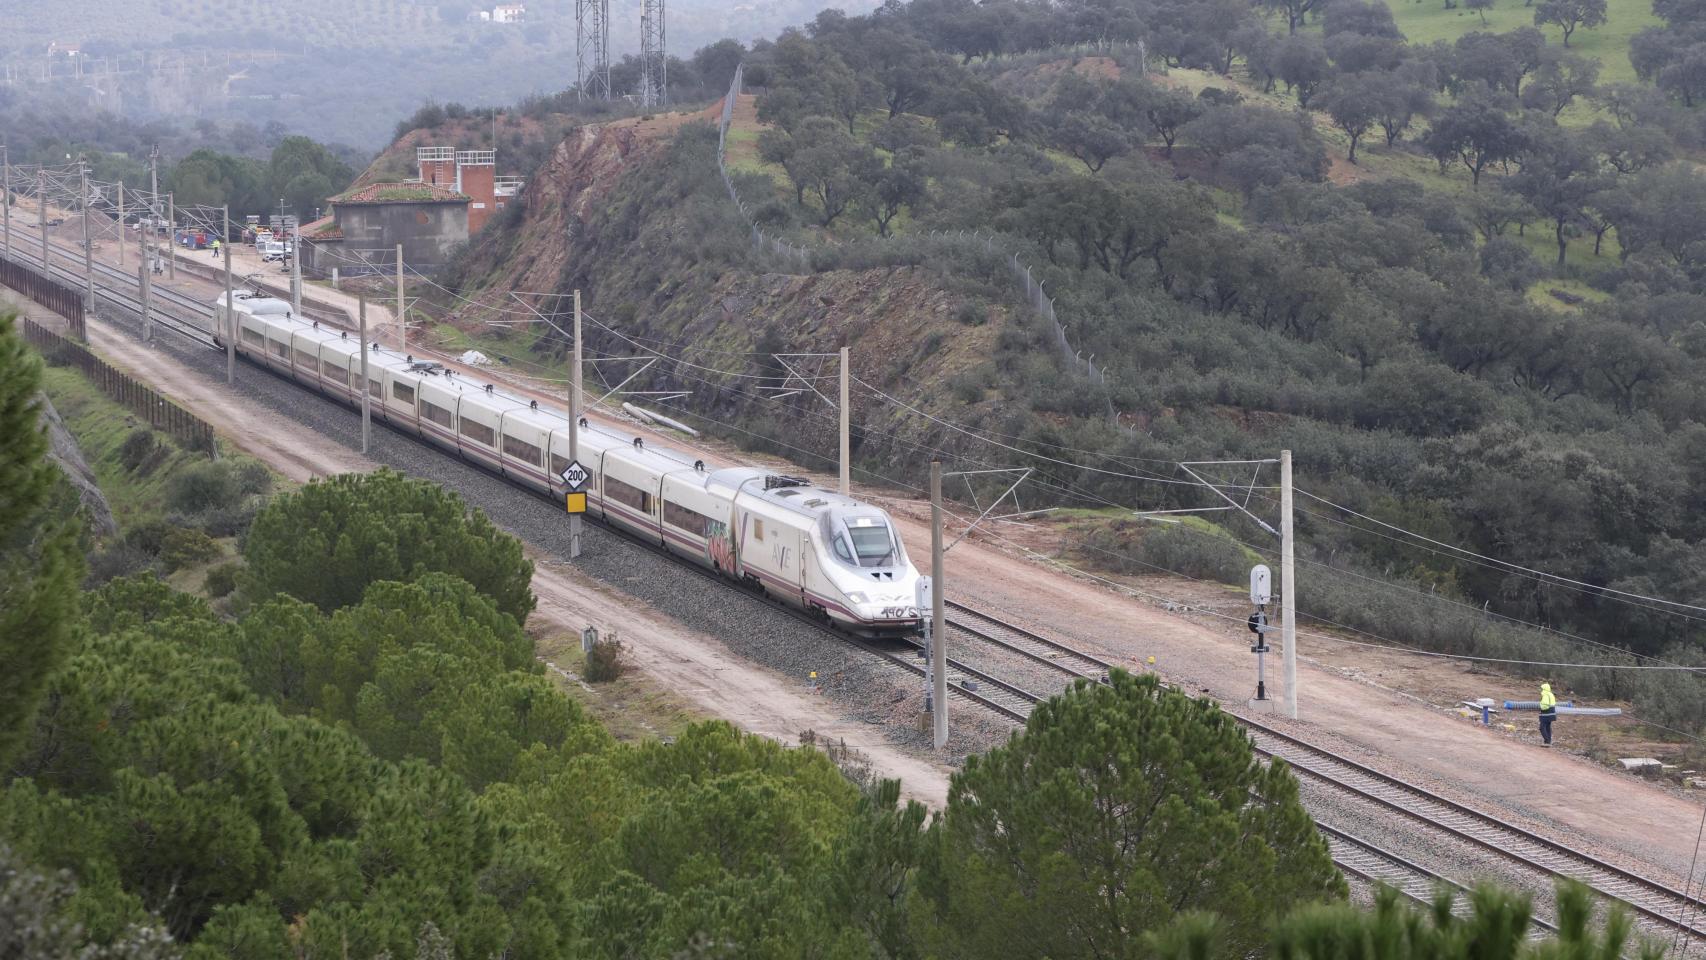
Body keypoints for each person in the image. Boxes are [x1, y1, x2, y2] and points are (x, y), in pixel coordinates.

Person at [1539, 682, 1557, 747]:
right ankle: (1548, 742)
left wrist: (1540, 706)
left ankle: (1546, 741)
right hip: (1552, 713)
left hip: (1546, 714)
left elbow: (1545, 705)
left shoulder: (1545, 695)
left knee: (1542, 727)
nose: (1541, 690)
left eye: (1542, 688)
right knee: (1548, 727)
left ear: (1544, 689)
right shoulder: (1551, 694)